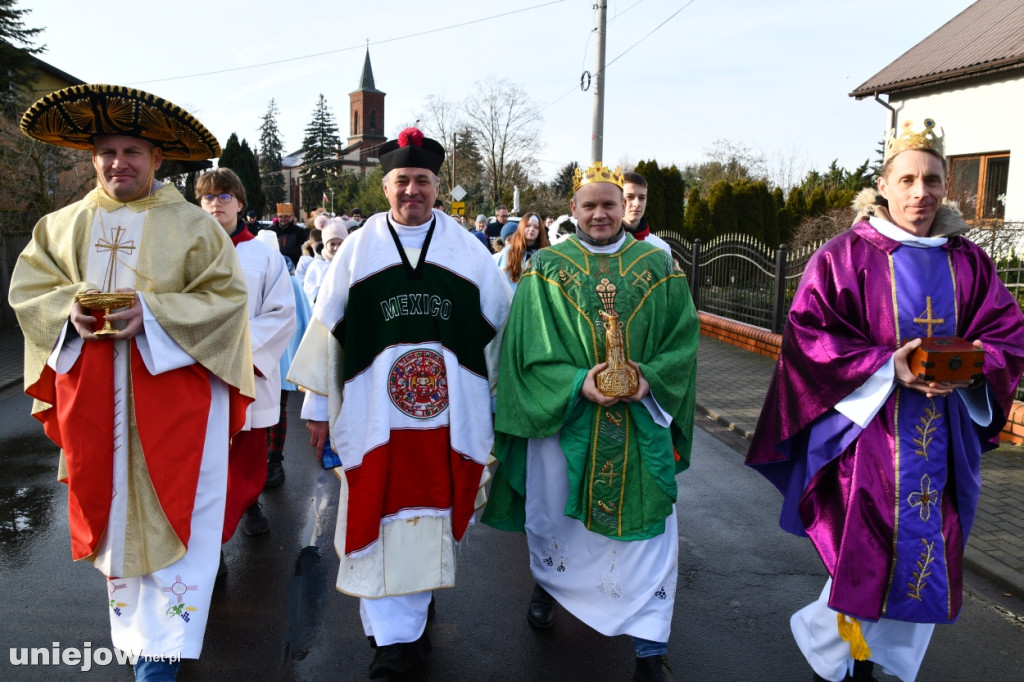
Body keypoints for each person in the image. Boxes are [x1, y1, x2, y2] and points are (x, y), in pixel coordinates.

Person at [746, 119, 1024, 682]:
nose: (921, 192)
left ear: (947, 187)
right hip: (870, 436)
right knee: (866, 546)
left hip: (944, 439)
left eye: (933, 180)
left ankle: (883, 660)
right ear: (884, 185)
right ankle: (838, 649)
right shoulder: (845, 256)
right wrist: (888, 365)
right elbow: (807, 335)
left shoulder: (968, 261)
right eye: (908, 180)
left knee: (929, 547)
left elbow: (1007, 335)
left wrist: (970, 369)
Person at [10, 84, 255, 680]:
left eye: (132, 152)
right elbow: (28, 294)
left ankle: (164, 650)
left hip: (177, 405)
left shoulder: (196, 229)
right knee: (116, 518)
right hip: (95, 401)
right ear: (93, 159)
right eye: (108, 152)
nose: (119, 163)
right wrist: (69, 308)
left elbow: (228, 301)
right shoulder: (60, 226)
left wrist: (154, 316)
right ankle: (134, 636)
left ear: (157, 159)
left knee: (181, 517)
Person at [288, 127, 511, 679]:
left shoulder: (468, 250)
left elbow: (502, 332)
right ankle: (393, 644)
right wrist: (318, 409)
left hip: (449, 420)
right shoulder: (359, 249)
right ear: (385, 187)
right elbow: (326, 331)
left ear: (438, 187)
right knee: (378, 510)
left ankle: (406, 623)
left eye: (423, 181)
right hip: (373, 417)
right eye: (402, 181)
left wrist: (504, 408)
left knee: (434, 511)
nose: (412, 190)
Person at [484, 162, 699, 682]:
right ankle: (550, 585)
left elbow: (683, 341)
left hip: (639, 422)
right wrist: (578, 382)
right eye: (589, 205)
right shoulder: (545, 270)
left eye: (609, 204)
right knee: (558, 520)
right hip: (567, 422)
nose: (600, 213)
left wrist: (648, 379)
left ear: (623, 207)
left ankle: (650, 648)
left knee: (651, 538)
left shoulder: (660, 266)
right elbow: (525, 352)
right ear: (574, 210)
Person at [195, 168, 295, 537]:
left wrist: (234, 351)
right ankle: (212, 541)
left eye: (224, 196)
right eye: (208, 197)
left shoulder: (263, 256)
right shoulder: (186, 252)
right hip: (198, 374)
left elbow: (282, 313)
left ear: (239, 202)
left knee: (246, 456)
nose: (216, 203)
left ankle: (247, 504)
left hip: (245, 373)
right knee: (205, 462)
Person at [493, 211, 549, 291]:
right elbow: (501, 282)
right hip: (513, 299)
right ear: (522, 227)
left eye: (536, 227)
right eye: (528, 225)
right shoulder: (509, 251)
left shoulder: (544, 253)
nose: (531, 229)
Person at [621, 171, 672, 260]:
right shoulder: (605, 246)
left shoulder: (661, 248)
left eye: (642, 198)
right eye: (630, 197)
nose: (637, 204)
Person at [302, 217, 347, 305]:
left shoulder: (349, 263)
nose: (336, 248)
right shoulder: (317, 266)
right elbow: (309, 294)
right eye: (332, 244)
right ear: (325, 244)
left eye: (340, 243)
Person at [272, 201, 308, 269]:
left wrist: (284, 253)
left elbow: (301, 250)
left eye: (286, 216)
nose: (283, 218)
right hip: (274, 266)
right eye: (280, 216)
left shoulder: (300, 232)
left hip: (293, 266)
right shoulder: (271, 231)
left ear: (292, 216)